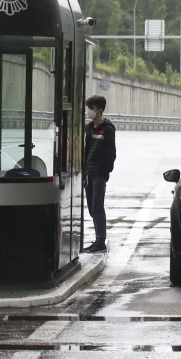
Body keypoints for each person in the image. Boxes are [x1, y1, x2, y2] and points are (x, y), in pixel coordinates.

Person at [83, 94, 116, 253]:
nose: (89, 111)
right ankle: (98, 239)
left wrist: (105, 170)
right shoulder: (89, 128)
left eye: (92, 108)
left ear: (100, 110)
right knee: (91, 207)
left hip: (99, 174)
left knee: (97, 206)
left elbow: (111, 153)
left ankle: (100, 240)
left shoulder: (108, 129)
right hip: (88, 173)